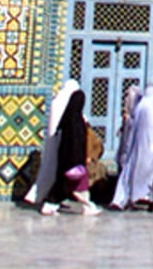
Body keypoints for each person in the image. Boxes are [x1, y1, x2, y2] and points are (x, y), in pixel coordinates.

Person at [33, 82, 98, 215]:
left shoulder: (69, 119)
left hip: (66, 160)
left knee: (64, 186)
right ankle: (87, 206)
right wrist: (79, 159)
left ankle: (52, 205)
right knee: (77, 187)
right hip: (73, 161)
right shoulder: (76, 122)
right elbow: (76, 143)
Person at [112, 87, 153, 211]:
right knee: (150, 175)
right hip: (151, 151)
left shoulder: (141, 106)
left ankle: (123, 199)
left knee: (131, 172)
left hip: (137, 147)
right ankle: (150, 199)